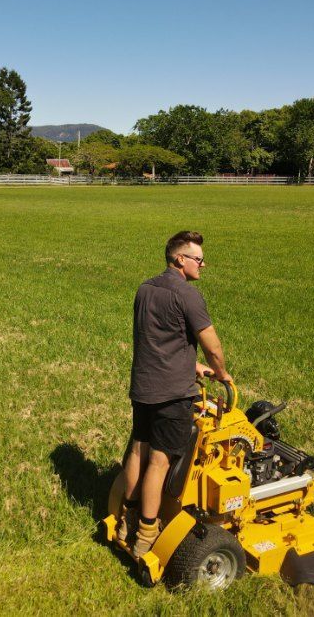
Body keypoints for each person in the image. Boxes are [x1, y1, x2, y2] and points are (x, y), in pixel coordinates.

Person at [118, 230, 233, 558]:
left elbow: (156, 338)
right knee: (159, 461)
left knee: (138, 452)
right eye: (198, 259)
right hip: (172, 394)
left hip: (143, 386)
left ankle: (127, 517)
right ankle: (146, 533)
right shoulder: (187, 295)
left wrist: (190, 365)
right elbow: (213, 345)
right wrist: (220, 372)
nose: (202, 264)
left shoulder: (145, 289)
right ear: (179, 259)